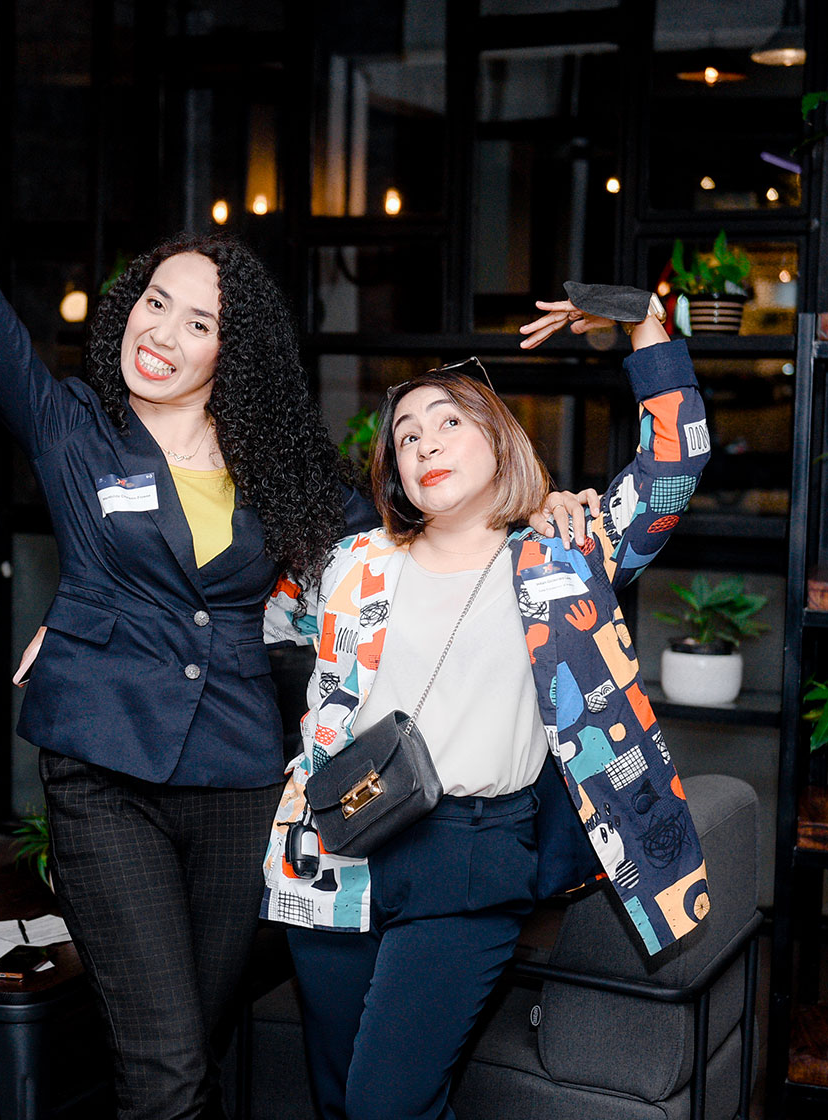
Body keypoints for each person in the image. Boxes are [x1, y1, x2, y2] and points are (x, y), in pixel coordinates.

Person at [0, 19, 587, 1119]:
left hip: (237, 783)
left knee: (191, 1045)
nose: (162, 329)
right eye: (153, 300)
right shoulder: (74, 430)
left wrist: (548, 503)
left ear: (232, 352)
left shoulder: (285, 474)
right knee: (165, 1070)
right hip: (103, 775)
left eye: (197, 318)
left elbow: (426, 520)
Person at [259, 290, 715, 1120]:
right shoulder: (348, 561)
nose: (425, 443)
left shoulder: (561, 551)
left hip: (468, 858)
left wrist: (642, 325)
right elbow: (234, 614)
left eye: (447, 423)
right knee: (335, 1097)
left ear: (497, 436)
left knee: (384, 1104)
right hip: (334, 847)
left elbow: (672, 471)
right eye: (406, 436)